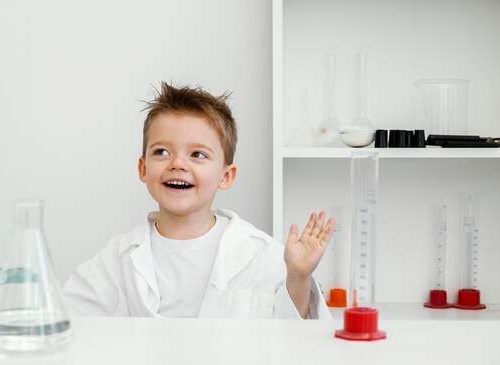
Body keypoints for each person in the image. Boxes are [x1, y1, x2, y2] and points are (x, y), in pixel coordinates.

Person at [63, 82, 335, 319]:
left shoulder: (261, 254)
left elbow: (292, 335)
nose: (178, 163)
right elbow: (70, 319)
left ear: (226, 176)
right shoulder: (118, 258)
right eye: (161, 151)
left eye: (198, 155)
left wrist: (299, 277)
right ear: (143, 169)